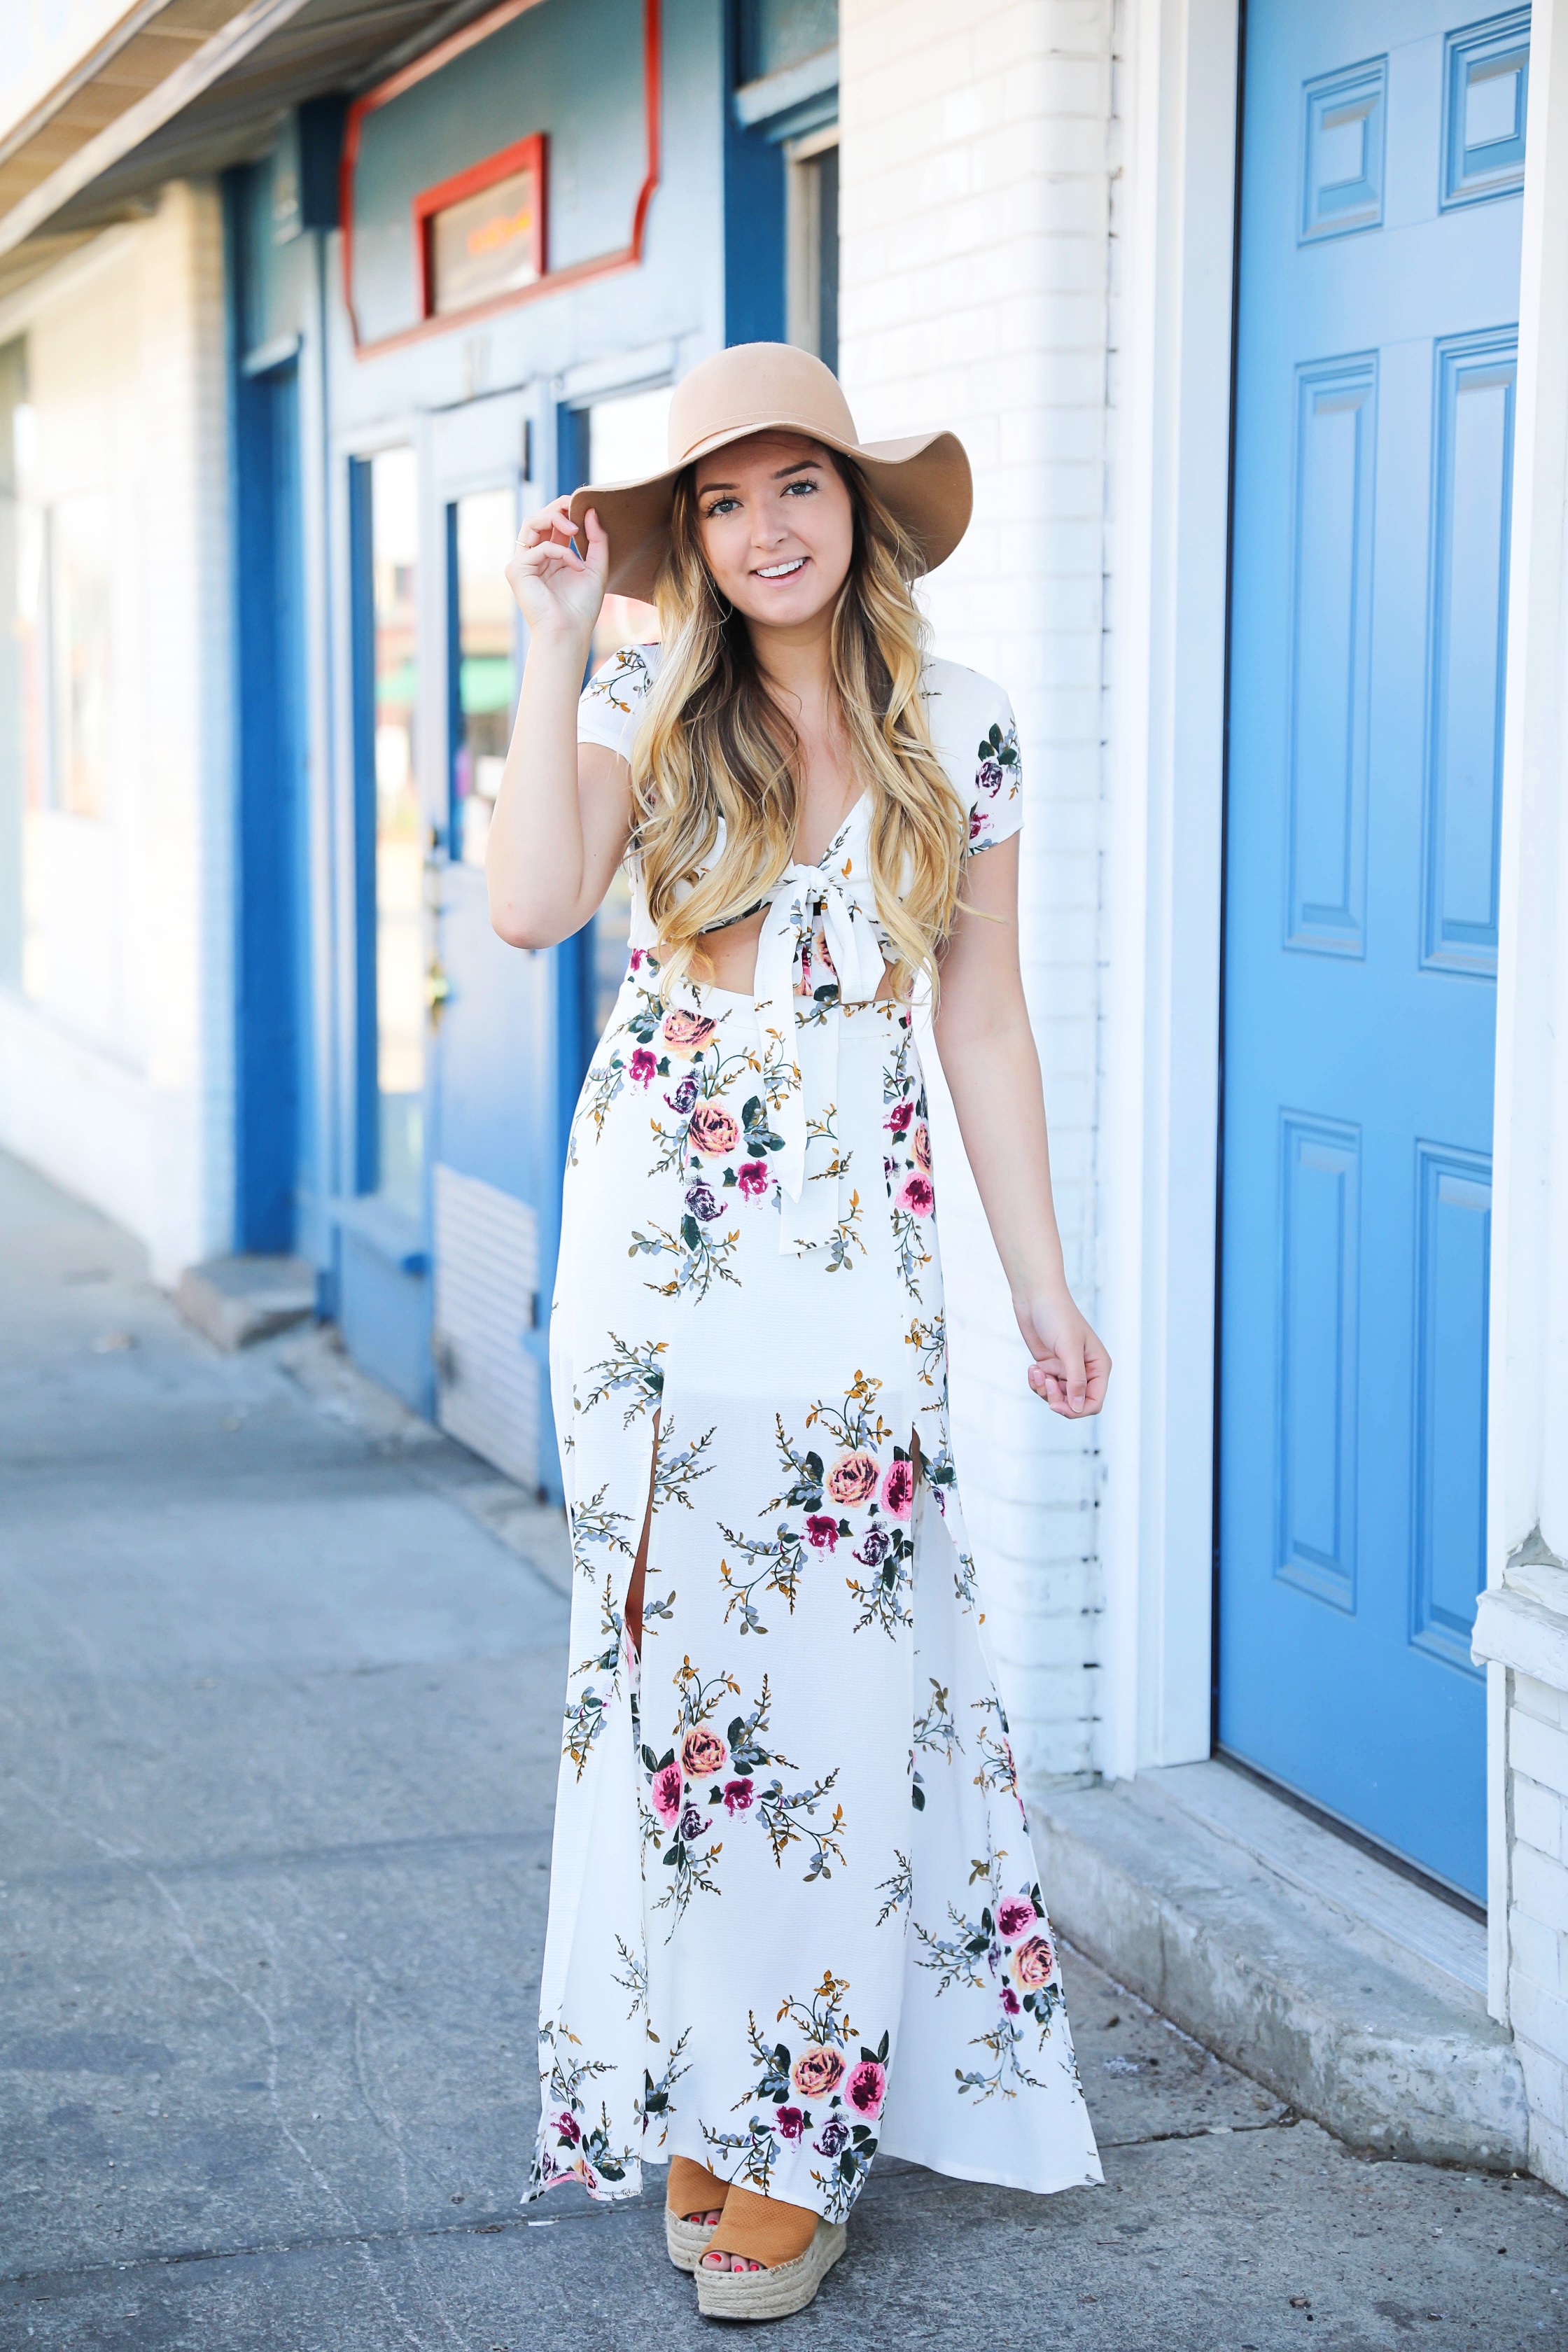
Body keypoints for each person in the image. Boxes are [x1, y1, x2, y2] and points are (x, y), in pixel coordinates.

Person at [489, 343, 1110, 2322]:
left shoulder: (970, 728)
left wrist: (1040, 1279)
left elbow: (985, 1022)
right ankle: (707, 2088)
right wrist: (561, 624)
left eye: (801, 490)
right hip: (648, 1270)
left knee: (838, 1697)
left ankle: (798, 2127)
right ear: (695, 533)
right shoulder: (637, 696)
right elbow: (526, 906)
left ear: (857, 507)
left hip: (853, 1276)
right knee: (673, 1693)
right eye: (727, 501)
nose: (766, 531)